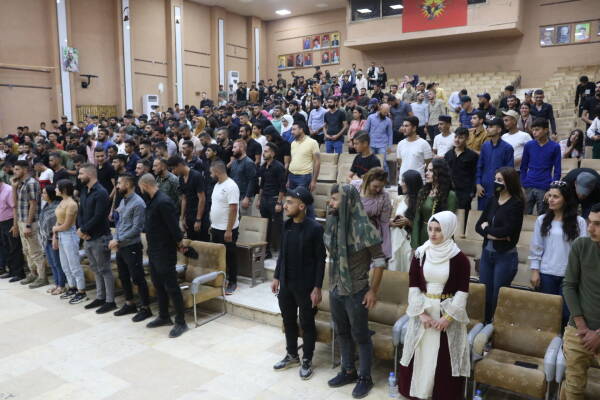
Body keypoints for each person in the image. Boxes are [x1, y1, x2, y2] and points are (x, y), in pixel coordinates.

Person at [399, 211, 471, 400]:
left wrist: (447, 318)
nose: (432, 233)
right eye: (430, 229)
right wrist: (421, 313)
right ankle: (418, 392)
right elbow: (413, 285)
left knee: (444, 357)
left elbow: (462, 292)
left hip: (446, 313)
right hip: (424, 310)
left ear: (448, 230)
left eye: (438, 230)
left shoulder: (460, 259)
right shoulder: (420, 253)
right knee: (419, 351)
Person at [324, 184, 386, 399]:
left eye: (335, 199)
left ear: (348, 202)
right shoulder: (333, 223)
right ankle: (348, 370)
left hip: (357, 290)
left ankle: (365, 378)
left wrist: (373, 291)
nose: (330, 203)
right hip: (335, 287)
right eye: (331, 199)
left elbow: (380, 261)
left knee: (360, 335)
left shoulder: (365, 228)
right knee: (341, 331)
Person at [271, 186, 325, 380]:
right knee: (288, 320)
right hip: (286, 283)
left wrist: (317, 287)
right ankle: (292, 354)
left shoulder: (315, 228)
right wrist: (276, 276)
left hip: (306, 286)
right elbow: (282, 254)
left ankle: (307, 359)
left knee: (307, 323)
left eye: (290, 202)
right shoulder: (286, 225)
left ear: (302, 206)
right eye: (286, 202)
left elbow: (320, 260)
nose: (285, 206)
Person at [529, 181, 587, 326]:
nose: (551, 199)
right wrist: (535, 271)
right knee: (547, 312)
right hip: (547, 273)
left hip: (569, 275)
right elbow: (536, 247)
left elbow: (583, 251)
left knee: (567, 313)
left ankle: (563, 339)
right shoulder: (542, 220)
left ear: (565, 199)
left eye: (556, 197)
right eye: (550, 196)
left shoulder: (579, 222)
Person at [138, 173, 188, 338]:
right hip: (154, 250)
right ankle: (164, 316)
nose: (140, 190)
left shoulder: (163, 201)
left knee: (171, 286)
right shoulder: (152, 201)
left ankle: (181, 322)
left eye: (140, 187)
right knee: (158, 284)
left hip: (165, 251)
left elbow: (174, 228)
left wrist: (180, 244)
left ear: (145, 185)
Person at [475, 167, 524, 323]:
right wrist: (494, 234)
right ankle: (483, 325)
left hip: (505, 256)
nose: (496, 182)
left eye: (500, 180)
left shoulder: (516, 203)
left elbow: (506, 231)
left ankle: (496, 327)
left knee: (498, 295)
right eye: (495, 179)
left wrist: (487, 229)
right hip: (487, 253)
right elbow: (477, 226)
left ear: (509, 182)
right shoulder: (492, 200)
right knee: (484, 292)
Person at [561, 203, 600, 400]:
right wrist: (582, 327)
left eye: (597, 224)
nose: (590, 228)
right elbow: (569, 286)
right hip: (578, 331)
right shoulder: (581, 245)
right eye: (589, 222)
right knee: (573, 389)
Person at [109, 174, 152, 322]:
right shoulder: (123, 200)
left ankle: (146, 308)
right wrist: (115, 238)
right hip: (121, 246)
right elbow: (120, 223)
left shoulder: (138, 203)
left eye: (119, 183)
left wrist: (118, 239)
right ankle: (130, 303)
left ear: (127, 184)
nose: (117, 186)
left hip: (132, 246)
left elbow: (137, 229)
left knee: (137, 277)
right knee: (123, 276)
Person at [77, 164, 115, 314]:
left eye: (81, 173)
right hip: (88, 236)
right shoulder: (84, 190)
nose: (79, 176)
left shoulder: (101, 192)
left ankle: (110, 301)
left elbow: (99, 216)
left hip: (100, 236)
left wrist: (84, 230)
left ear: (90, 174)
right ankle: (100, 297)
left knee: (104, 269)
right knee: (95, 268)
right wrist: (82, 229)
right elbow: (81, 212)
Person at [12, 160, 47, 288]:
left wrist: (28, 224)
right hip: (21, 220)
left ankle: (42, 277)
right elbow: (15, 204)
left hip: (30, 222)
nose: (14, 172)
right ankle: (33, 273)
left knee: (35, 250)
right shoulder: (20, 183)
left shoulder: (31, 183)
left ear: (25, 169)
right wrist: (13, 187)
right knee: (26, 250)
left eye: (17, 169)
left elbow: (33, 205)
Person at [53, 179, 87, 304]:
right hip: (61, 234)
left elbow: (67, 225)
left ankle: (81, 291)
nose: (55, 189)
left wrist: (55, 229)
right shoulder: (62, 201)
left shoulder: (72, 204)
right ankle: (72, 288)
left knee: (74, 265)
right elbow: (58, 220)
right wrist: (55, 235)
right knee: (65, 265)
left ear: (64, 189)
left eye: (57, 187)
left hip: (70, 235)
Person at [411, 158, 457, 249]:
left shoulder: (450, 195)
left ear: (440, 173)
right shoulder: (423, 192)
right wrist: (415, 244)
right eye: (427, 170)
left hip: (440, 238)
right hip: (423, 236)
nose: (426, 173)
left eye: (431, 171)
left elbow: (449, 224)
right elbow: (417, 219)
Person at [209, 162, 240, 295]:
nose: (210, 175)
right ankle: (222, 279)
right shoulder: (217, 185)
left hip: (227, 229)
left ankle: (233, 282)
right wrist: (212, 224)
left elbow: (233, 209)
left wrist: (228, 230)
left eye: (211, 173)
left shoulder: (231, 186)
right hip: (216, 227)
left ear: (217, 172)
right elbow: (215, 206)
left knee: (230, 256)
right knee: (219, 256)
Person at [521, 118, 561, 215]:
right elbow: (523, 166)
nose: (534, 132)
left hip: (545, 185)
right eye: (533, 130)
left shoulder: (555, 147)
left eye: (537, 129)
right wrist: (523, 183)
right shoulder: (529, 145)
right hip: (528, 184)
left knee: (543, 215)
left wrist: (552, 189)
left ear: (546, 130)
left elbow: (557, 170)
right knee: (524, 214)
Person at [475, 118, 515, 210]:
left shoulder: (507, 148)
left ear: (499, 129)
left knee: (496, 215)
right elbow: (479, 166)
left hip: (499, 190)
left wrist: (503, 189)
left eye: (491, 126)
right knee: (481, 215)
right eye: (487, 126)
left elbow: (509, 171)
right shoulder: (485, 146)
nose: (487, 129)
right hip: (483, 189)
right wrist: (478, 184)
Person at [167, 156, 208, 241]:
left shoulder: (196, 176)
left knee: (201, 243)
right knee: (190, 242)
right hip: (189, 215)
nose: (173, 172)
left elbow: (202, 199)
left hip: (200, 215)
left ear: (179, 165)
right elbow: (184, 198)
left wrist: (198, 220)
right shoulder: (181, 178)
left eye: (174, 168)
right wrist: (182, 217)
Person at [256, 143, 286, 259]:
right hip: (264, 200)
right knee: (265, 227)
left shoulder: (279, 166)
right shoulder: (263, 166)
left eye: (266, 151)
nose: (264, 153)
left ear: (272, 153)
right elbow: (262, 185)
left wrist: (279, 202)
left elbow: (282, 186)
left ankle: (283, 251)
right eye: (263, 151)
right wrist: (259, 199)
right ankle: (266, 251)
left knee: (278, 226)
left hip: (274, 200)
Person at [389, 170, 423, 272]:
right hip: (395, 239)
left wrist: (408, 222)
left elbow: (423, 226)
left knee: (408, 268)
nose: (401, 184)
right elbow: (390, 218)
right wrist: (392, 222)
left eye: (404, 181)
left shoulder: (421, 202)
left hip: (410, 241)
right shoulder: (398, 199)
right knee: (395, 267)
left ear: (411, 183)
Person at [358, 168, 392, 258]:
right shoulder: (354, 188)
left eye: (381, 187)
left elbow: (384, 223)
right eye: (375, 186)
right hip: (353, 233)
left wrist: (385, 248)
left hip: (371, 234)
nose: (378, 190)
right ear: (368, 181)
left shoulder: (384, 197)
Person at [38, 184, 65, 295]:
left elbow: (57, 223)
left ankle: (62, 285)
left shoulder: (57, 206)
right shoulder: (46, 206)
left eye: (44, 193)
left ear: (51, 194)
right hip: (46, 238)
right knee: (52, 263)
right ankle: (56, 284)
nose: (42, 195)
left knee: (57, 263)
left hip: (54, 238)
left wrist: (55, 236)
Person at [445, 128, 478, 213]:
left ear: (467, 139)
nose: (457, 140)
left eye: (461, 137)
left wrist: (472, 192)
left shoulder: (472, 156)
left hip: (465, 192)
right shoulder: (448, 154)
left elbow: (475, 174)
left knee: (463, 216)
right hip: (449, 191)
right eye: (456, 137)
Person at [396, 116, 433, 188]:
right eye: (403, 126)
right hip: (402, 182)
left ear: (414, 128)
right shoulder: (400, 144)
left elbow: (428, 163)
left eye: (406, 126)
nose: (404, 128)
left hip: (418, 183)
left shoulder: (424, 144)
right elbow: (400, 162)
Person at [0, 178, 25, 282]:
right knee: (6, 247)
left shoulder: (8, 190)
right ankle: (11, 271)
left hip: (10, 222)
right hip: (2, 223)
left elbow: (15, 208)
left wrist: (15, 225)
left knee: (15, 247)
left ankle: (19, 273)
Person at [288, 121, 320, 196]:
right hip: (292, 175)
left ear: (301, 130)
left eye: (294, 129)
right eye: (291, 130)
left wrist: (314, 181)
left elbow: (317, 162)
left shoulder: (312, 142)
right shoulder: (293, 143)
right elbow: (292, 160)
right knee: (292, 199)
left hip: (304, 177)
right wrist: (288, 179)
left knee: (302, 200)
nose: (292, 132)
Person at [230, 139, 257, 217]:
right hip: (235, 197)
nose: (232, 150)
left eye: (235, 147)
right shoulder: (234, 162)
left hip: (244, 197)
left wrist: (247, 197)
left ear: (241, 148)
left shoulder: (249, 163)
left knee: (244, 221)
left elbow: (252, 181)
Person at [364, 103, 393, 173]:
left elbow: (390, 134)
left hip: (382, 145)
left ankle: (386, 179)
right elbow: (366, 131)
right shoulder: (371, 117)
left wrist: (389, 146)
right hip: (371, 144)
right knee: (370, 164)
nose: (385, 114)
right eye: (384, 112)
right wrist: (365, 143)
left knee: (384, 164)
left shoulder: (388, 120)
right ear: (380, 109)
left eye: (387, 113)